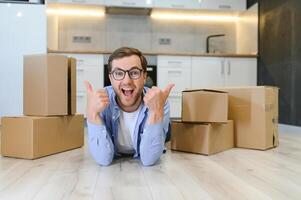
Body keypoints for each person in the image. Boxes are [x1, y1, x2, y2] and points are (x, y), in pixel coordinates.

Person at [84, 47, 174, 166]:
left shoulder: (159, 101)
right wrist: (92, 114)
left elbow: (148, 159)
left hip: (156, 131)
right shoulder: (100, 101)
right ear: (110, 78)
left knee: (166, 136)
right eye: (119, 73)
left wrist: (156, 113)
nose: (127, 81)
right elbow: (103, 159)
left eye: (134, 72)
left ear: (144, 76)